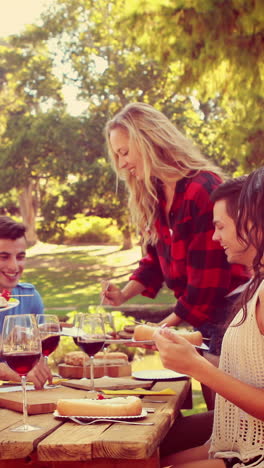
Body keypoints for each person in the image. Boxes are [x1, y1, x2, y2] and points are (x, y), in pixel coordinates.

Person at [102, 102, 249, 405]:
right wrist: (123, 296)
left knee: (230, 419)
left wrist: (159, 330)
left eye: (125, 152)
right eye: (117, 155)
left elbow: (207, 284)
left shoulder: (201, 188)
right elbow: (154, 261)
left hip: (231, 316)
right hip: (203, 319)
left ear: (149, 141)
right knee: (217, 421)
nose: (122, 163)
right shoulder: (155, 195)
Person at [155, 167, 264, 468]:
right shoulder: (255, 286)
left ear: (251, 223)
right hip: (234, 448)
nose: (214, 237)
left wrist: (197, 367)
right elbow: (249, 376)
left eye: (220, 226)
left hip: (253, 458)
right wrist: (193, 355)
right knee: (142, 460)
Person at [0, 216, 52, 389]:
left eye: (20, 257)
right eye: (4, 257)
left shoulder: (29, 297)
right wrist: (7, 371)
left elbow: (39, 354)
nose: (14, 266)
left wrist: (39, 370)